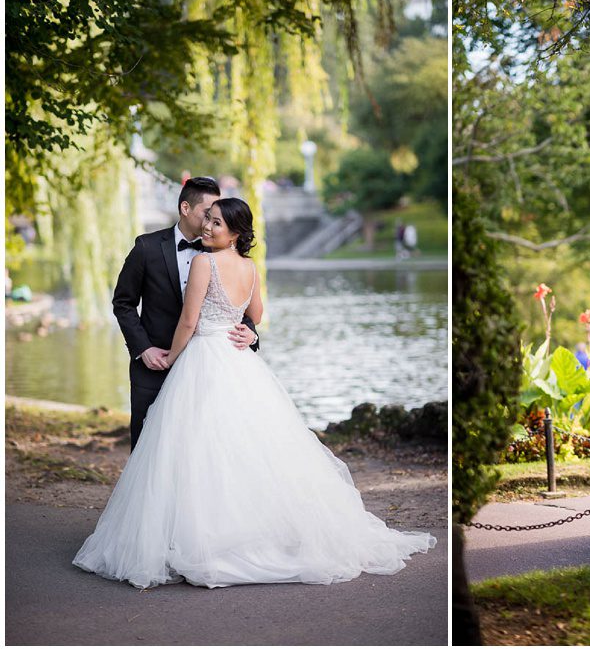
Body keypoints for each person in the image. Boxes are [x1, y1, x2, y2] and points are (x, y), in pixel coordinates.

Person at [74, 198, 435, 588]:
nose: (207, 229)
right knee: (245, 446)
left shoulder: (203, 263)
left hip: (203, 358)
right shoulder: (250, 267)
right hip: (238, 359)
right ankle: (244, 532)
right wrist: (244, 329)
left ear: (235, 233)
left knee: (196, 448)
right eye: (207, 221)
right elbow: (257, 314)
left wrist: (173, 358)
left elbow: (189, 320)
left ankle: (201, 537)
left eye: (215, 224)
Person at [112, 177, 259, 451]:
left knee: (208, 451)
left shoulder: (223, 253)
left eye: (217, 217)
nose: (211, 222)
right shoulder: (147, 247)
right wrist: (143, 349)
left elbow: (242, 307)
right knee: (149, 450)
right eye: (208, 213)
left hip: (212, 371)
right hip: (156, 366)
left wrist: (250, 332)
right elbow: (123, 303)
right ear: (185, 208)